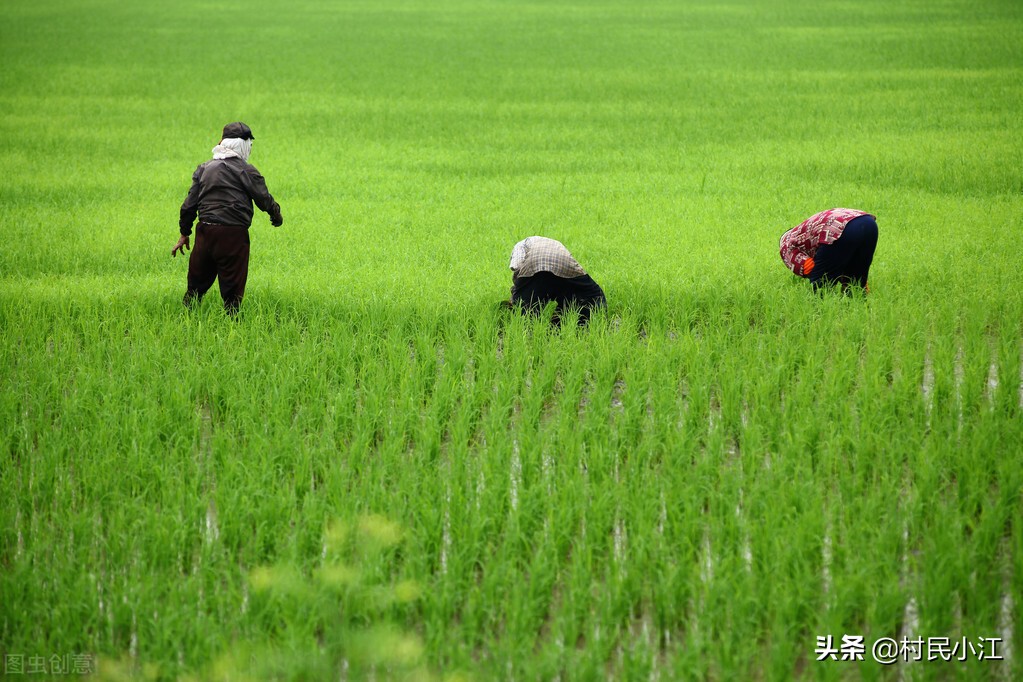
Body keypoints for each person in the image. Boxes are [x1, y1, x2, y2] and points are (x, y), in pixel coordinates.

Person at [172, 122, 283, 314]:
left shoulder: (204, 168)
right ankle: (233, 326)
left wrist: (184, 233)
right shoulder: (246, 170)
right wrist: (276, 215)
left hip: (205, 231)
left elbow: (189, 205)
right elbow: (263, 198)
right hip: (233, 235)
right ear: (243, 145)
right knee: (232, 287)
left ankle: (186, 318)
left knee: (196, 284)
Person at [507, 236, 606, 325]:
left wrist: (517, 290)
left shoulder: (520, 245)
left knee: (524, 309)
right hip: (563, 264)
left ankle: (528, 333)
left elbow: (516, 265)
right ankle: (583, 323)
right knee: (588, 295)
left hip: (534, 263)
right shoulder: (552, 242)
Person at [779, 208, 878, 292]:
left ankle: (820, 312)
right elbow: (840, 258)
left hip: (839, 228)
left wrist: (821, 278)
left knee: (820, 286)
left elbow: (808, 267)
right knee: (855, 285)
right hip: (869, 223)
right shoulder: (803, 232)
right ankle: (858, 310)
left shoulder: (785, 245)